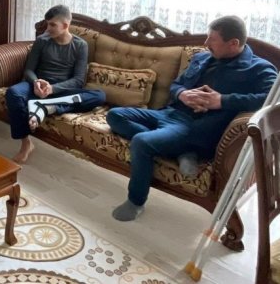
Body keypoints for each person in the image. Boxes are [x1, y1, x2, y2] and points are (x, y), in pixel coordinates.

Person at [106, 15, 277, 222]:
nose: (205, 43)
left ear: (233, 43)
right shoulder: (201, 58)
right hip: (169, 113)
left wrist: (221, 101)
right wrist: (182, 94)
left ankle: (135, 201)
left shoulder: (259, 69)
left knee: (141, 142)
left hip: (194, 128)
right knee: (115, 115)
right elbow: (176, 85)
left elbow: (271, 100)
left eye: (212, 39)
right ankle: (181, 151)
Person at [7, 5, 106, 164]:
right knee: (13, 93)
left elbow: (78, 80)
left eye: (52, 25)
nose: (48, 28)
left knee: (99, 96)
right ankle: (26, 143)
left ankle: (46, 107)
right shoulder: (42, 41)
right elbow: (29, 70)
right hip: (38, 88)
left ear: (65, 25)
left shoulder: (80, 45)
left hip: (61, 91)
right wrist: (36, 82)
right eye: (47, 24)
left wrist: (53, 89)